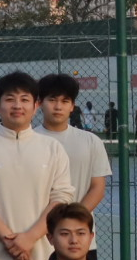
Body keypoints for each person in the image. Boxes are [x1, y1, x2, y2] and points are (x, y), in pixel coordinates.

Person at [0, 72, 76, 260]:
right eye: (10, 99)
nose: (17, 106)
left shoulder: (52, 148)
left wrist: (29, 238)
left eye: (24, 99)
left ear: (36, 105)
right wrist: (9, 240)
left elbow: (61, 197)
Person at [37, 73, 111, 213]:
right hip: (36, 225)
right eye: (52, 100)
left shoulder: (92, 141)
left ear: (72, 106)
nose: (58, 107)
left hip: (78, 224)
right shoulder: (27, 141)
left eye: (65, 101)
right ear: (40, 103)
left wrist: (74, 219)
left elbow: (98, 187)